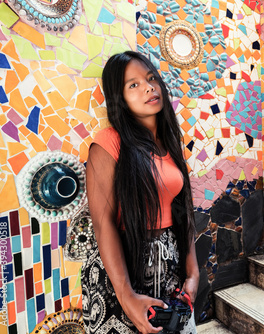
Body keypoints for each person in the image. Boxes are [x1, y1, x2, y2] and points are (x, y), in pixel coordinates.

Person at [82, 51, 199, 334]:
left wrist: (193, 272)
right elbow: (103, 222)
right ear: (119, 97)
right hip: (122, 274)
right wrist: (126, 296)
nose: (148, 87)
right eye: (133, 84)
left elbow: (182, 214)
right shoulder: (109, 142)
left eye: (150, 79)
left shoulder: (170, 145)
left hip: (170, 273)